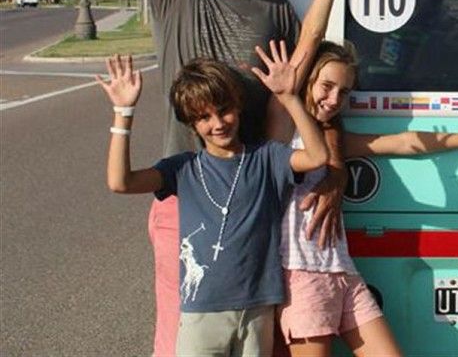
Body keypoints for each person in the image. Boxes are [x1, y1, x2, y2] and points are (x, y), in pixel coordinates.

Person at [133, 0, 341, 353]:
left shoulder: (273, 9)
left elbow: (310, 91)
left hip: (255, 198)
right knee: (182, 336)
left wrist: (336, 171)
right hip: (186, 195)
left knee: (256, 338)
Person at [274, 40, 458, 357]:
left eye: (344, 92)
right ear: (307, 81)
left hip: (343, 272)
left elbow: (404, 142)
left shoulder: (335, 141)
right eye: (326, 87)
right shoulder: (283, 134)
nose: (333, 100)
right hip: (301, 276)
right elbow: (310, 38)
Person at [97, 46, 328, 357]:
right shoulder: (182, 169)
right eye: (204, 117)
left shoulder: (267, 158)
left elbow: (318, 156)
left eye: (224, 109)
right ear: (191, 124)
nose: (218, 123)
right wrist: (123, 113)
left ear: (238, 105)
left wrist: (289, 98)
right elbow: (120, 182)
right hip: (201, 313)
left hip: (257, 308)